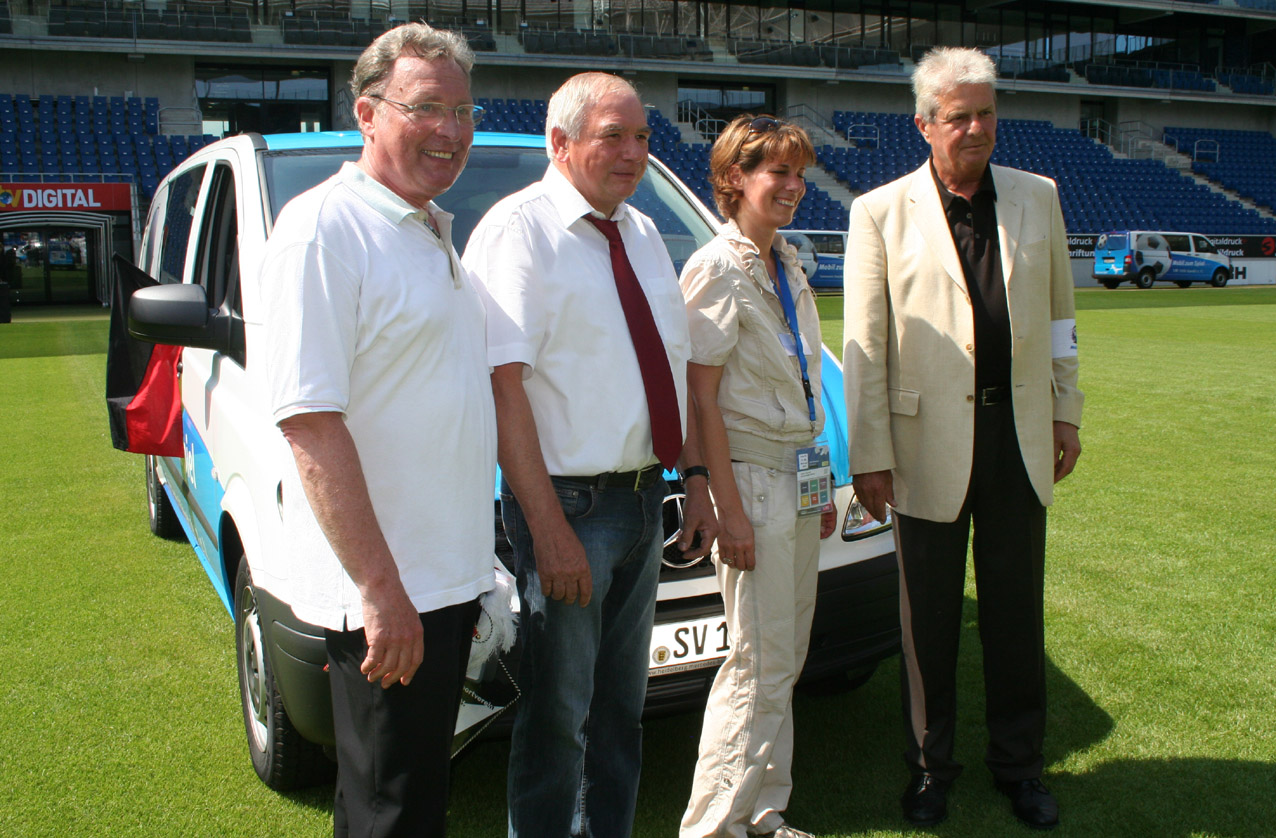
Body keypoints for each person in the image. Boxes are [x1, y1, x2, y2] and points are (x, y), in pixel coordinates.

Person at [463, 72, 717, 838]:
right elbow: (503, 388)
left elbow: (670, 367)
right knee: (557, 719)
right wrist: (547, 529)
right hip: (569, 506)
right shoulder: (519, 232)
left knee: (619, 716)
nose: (634, 152)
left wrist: (695, 479)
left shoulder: (642, 233)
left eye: (642, 137)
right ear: (561, 142)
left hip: (645, 499)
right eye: (613, 136)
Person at [259, 23, 495, 838]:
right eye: (426, 107)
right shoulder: (324, 230)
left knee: (409, 796)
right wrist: (379, 590)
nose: (450, 130)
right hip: (391, 593)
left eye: (462, 111)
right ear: (366, 113)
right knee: (389, 807)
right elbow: (309, 422)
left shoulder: (426, 226)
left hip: (443, 582)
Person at [842, 46, 1083, 831]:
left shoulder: (1038, 196)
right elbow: (865, 347)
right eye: (958, 117)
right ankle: (928, 770)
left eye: (985, 113)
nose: (976, 128)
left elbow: (1060, 319)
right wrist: (870, 454)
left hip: (1018, 439)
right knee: (929, 623)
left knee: (1016, 616)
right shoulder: (879, 211)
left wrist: (1066, 410)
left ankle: (1020, 767)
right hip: (923, 447)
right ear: (925, 124)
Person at [677, 114, 828, 838]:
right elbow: (699, 398)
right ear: (735, 178)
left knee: (783, 659)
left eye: (800, 173)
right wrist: (726, 508)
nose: (794, 186)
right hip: (752, 486)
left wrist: (817, 489)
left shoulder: (784, 262)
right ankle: (712, 828)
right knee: (756, 663)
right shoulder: (717, 266)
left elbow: (801, 392)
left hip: (794, 478)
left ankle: (763, 812)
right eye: (779, 172)